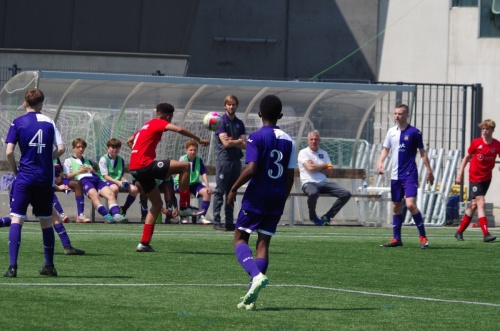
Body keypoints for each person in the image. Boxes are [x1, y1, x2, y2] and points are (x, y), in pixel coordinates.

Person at [227, 95, 296, 310]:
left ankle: (255, 276)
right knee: (263, 244)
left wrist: (233, 188)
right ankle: (251, 295)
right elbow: (290, 176)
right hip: (277, 197)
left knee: (239, 239)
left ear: (259, 114)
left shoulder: (255, 137)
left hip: (257, 196)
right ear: (281, 116)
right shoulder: (289, 141)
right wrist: (282, 199)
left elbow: (252, 168)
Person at [127, 102, 209, 252]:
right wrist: (199, 139)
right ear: (168, 116)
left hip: (134, 168)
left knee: (157, 204)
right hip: (145, 165)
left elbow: (129, 141)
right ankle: (184, 206)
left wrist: (137, 153)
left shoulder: (146, 125)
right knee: (185, 166)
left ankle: (144, 243)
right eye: (170, 119)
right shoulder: (159, 122)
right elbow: (179, 129)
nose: (169, 122)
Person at [4, 88, 65, 277]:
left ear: (25, 103)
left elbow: (8, 152)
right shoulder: (49, 122)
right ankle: (49, 265)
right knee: (46, 220)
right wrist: (48, 158)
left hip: (25, 177)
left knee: (17, 218)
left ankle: (13, 267)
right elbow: (61, 148)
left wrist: (16, 172)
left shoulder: (17, 122)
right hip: (44, 178)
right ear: (42, 104)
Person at [377, 103, 434, 249]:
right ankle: (397, 239)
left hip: (409, 174)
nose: (397, 116)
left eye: (400, 114)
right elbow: (386, 149)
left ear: (407, 115)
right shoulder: (391, 132)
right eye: (395, 113)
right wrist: (380, 162)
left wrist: (429, 170)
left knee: (410, 204)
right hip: (395, 175)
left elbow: (422, 152)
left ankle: (423, 237)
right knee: (396, 206)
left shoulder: (415, 132)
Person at [455, 119, 500, 242]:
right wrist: (460, 173)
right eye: (483, 129)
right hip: (475, 177)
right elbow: (466, 158)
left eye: (487, 129)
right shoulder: (476, 143)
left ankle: (459, 232)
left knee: (474, 205)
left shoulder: (496, 144)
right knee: (481, 202)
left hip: (487, 178)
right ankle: (486, 234)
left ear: (492, 130)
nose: (485, 131)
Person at [63, 138, 128, 224]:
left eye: (82, 147)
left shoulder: (88, 161)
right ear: (73, 148)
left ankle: (117, 215)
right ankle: (107, 216)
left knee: (110, 194)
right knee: (94, 196)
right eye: (78, 147)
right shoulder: (68, 161)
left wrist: (92, 171)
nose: (81, 149)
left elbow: (96, 173)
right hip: (84, 181)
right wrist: (79, 171)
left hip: (96, 179)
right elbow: (66, 176)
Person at [297, 130, 352, 226]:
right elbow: (310, 168)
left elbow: (330, 171)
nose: (314, 141)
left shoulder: (324, 153)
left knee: (346, 194)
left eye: (316, 139)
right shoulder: (303, 153)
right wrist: (323, 165)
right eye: (311, 139)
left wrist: (316, 166)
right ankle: (313, 217)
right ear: (307, 140)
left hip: (324, 183)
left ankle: (328, 216)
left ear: (319, 141)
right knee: (313, 193)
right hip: (309, 183)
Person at [212, 95, 247, 231]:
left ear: (236, 106)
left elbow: (244, 144)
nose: (231, 107)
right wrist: (237, 141)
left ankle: (229, 221)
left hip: (236, 161)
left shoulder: (239, 122)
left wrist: (236, 142)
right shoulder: (220, 122)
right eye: (229, 104)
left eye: (233, 104)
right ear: (225, 106)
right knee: (220, 191)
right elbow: (226, 144)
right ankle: (216, 221)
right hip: (224, 161)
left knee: (232, 191)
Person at [174, 140, 212, 225]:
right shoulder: (183, 159)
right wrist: (183, 185)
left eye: (195, 150)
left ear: (197, 151)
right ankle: (183, 216)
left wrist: (208, 186)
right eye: (191, 150)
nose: (193, 152)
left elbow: (204, 173)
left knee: (207, 193)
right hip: (181, 182)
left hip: (194, 183)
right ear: (186, 150)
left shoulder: (199, 160)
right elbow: (179, 173)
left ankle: (201, 217)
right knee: (185, 192)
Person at [98, 138, 139, 215]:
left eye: (117, 147)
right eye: (113, 147)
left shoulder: (121, 160)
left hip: (117, 181)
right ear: (108, 148)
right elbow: (105, 176)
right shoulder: (103, 159)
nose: (115, 150)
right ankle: (112, 213)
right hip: (104, 181)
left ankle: (123, 209)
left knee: (134, 189)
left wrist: (124, 180)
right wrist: (118, 182)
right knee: (114, 188)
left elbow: (121, 175)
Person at [53, 157, 87, 223]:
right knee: (48, 189)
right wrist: (56, 184)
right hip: (47, 180)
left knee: (77, 183)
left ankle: (80, 215)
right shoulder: (41, 155)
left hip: (59, 180)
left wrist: (60, 177)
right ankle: (62, 214)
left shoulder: (55, 156)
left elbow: (60, 170)